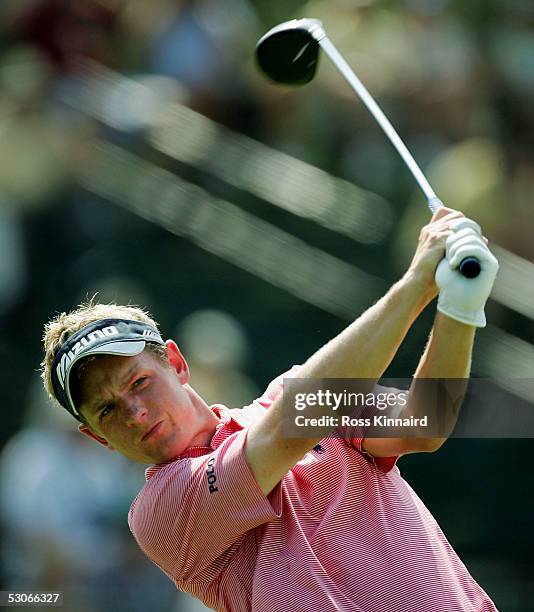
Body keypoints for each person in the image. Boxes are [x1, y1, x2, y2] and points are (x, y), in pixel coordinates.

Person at [41, 207, 499, 611]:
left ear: (177, 365)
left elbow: (426, 423)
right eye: (107, 411)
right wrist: (418, 282)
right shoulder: (157, 513)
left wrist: (460, 306)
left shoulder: (289, 396)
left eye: (140, 383)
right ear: (98, 438)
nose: (135, 413)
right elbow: (288, 432)